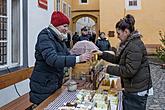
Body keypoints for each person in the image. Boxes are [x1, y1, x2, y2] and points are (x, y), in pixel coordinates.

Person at [29, 11, 92, 105]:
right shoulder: (45, 36)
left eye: (67, 26)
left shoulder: (58, 37)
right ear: (56, 25)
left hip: (53, 82)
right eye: (65, 26)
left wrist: (82, 58)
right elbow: (52, 59)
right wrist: (78, 59)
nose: (67, 29)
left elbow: (67, 55)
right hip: (43, 85)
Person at [100, 14, 153, 110]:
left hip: (137, 89)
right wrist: (102, 54)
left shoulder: (133, 46)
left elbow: (129, 71)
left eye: (118, 33)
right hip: (134, 87)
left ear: (126, 31)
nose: (117, 36)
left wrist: (108, 69)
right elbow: (118, 59)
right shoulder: (129, 43)